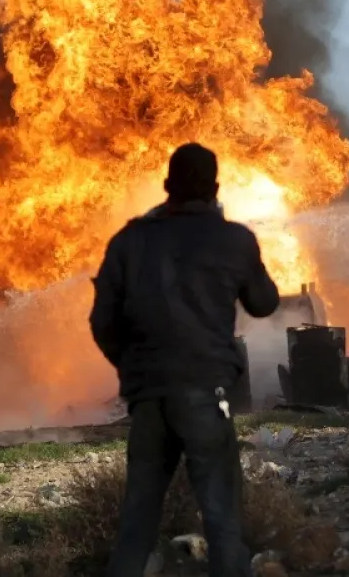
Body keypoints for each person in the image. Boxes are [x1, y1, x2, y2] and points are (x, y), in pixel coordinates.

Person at [90, 142, 280, 577]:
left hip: (149, 396)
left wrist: (131, 370)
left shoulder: (129, 240)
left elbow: (102, 322)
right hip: (205, 391)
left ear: (166, 186)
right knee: (221, 520)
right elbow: (265, 303)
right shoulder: (234, 239)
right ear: (214, 187)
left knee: (137, 524)